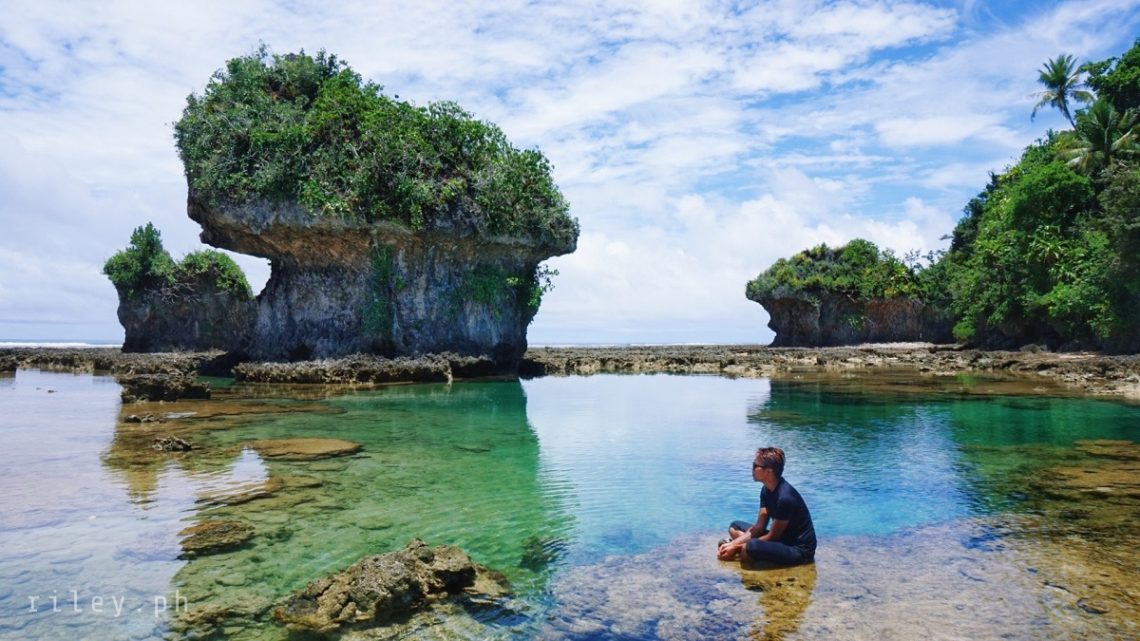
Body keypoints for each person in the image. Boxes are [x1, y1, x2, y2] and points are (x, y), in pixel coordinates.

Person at [717, 447, 816, 565]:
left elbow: (773, 536)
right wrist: (732, 544)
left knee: (749, 547)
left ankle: (749, 554)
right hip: (781, 541)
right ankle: (752, 551)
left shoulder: (785, 498)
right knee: (734, 527)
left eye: (755, 466)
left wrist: (737, 546)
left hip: (799, 550)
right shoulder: (766, 490)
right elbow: (759, 527)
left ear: (768, 471)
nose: (752, 469)